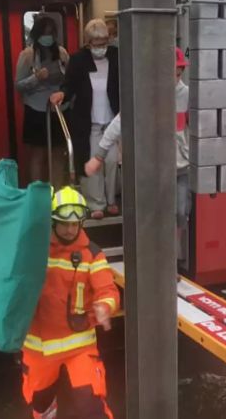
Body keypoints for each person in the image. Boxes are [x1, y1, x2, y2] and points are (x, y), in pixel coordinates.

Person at [0, 186, 120, 419]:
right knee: (41, 404)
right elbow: (2, 251)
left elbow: (108, 290)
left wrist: (104, 307)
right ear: (53, 222)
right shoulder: (34, 250)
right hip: (39, 348)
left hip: (79, 345)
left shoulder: (92, 254)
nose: (70, 229)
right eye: (64, 224)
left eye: (75, 224)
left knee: (91, 405)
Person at [84, 47, 192, 270]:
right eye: (171, 72)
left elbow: (200, 128)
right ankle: (159, 261)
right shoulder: (145, 96)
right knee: (157, 214)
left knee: (180, 212)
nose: (175, 78)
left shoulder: (187, 95)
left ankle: (173, 257)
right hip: (154, 169)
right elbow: (117, 125)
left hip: (181, 167)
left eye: (179, 73)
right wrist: (99, 156)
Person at [50, 19, 120, 220]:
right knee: (92, 161)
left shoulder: (115, 56)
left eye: (104, 42)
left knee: (113, 161)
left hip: (112, 119)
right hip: (88, 121)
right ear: (88, 42)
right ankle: (96, 203)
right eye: (97, 43)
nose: (101, 48)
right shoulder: (79, 59)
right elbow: (68, 84)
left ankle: (111, 200)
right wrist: (62, 94)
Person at [16, 15, 70, 187]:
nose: (48, 37)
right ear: (37, 34)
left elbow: (70, 80)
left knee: (58, 153)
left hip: (59, 110)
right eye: (45, 33)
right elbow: (19, 85)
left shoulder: (62, 53)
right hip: (36, 109)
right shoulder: (27, 55)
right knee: (37, 154)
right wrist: (36, 78)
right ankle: (37, 194)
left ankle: (57, 193)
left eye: (51, 33)